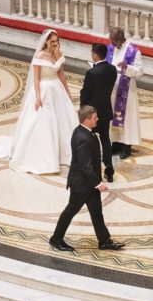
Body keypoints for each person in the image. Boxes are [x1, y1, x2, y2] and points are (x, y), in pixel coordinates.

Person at [0, 29, 79, 174]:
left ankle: (64, 154)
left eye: (57, 41)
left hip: (57, 90)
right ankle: (43, 157)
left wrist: (67, 91)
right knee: (42, 122)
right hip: (43, 90)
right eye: (53, 41)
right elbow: (36, 79)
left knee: (63, 121)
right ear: (46, 41)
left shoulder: (58, 54)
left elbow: (61, 74)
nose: (56, 43)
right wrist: (38, 97)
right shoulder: (40, 56)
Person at [48, 105, 126, 252]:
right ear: (87, 120)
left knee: (96, 212)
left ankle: (104, 241)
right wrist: (98, 183)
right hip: (82, 184)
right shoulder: (82, 138)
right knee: (70, 211)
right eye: (95, 118)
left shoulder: (84, 132)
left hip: (88, 184)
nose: (97, 119)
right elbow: (85, 166)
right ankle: (56, 239)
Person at [79, 42, 116, 182]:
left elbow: (86, 93)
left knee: (90, 142)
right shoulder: (112, 69)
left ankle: (93, 172)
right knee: (106, 140)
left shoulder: (92, 72)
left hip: (92, 113)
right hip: (105, 110)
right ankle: (109, 169)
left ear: (94, 54)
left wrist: (82, 107)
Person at [106, 27, 142, 160]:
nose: (111, 43)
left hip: (126, 89)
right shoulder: (110, 48)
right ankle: (115, 143)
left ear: (120, 39)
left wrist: (127, 68)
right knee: (112, 116)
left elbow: (140, 71)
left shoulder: (134, 51)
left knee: (126, 118)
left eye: (113, 40)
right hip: (111, 88)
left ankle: (126, 146)